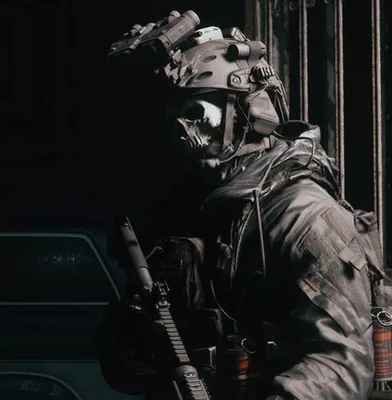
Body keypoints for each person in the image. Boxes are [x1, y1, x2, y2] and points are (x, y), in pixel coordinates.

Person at [97, 10, 385, 400]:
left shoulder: (305, 218)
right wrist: (138, 339)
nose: (183, 130)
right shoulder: (196, 206)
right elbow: (128, 365)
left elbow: (341, 365)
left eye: (196, 112)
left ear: (249, 112)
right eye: (174, 116)